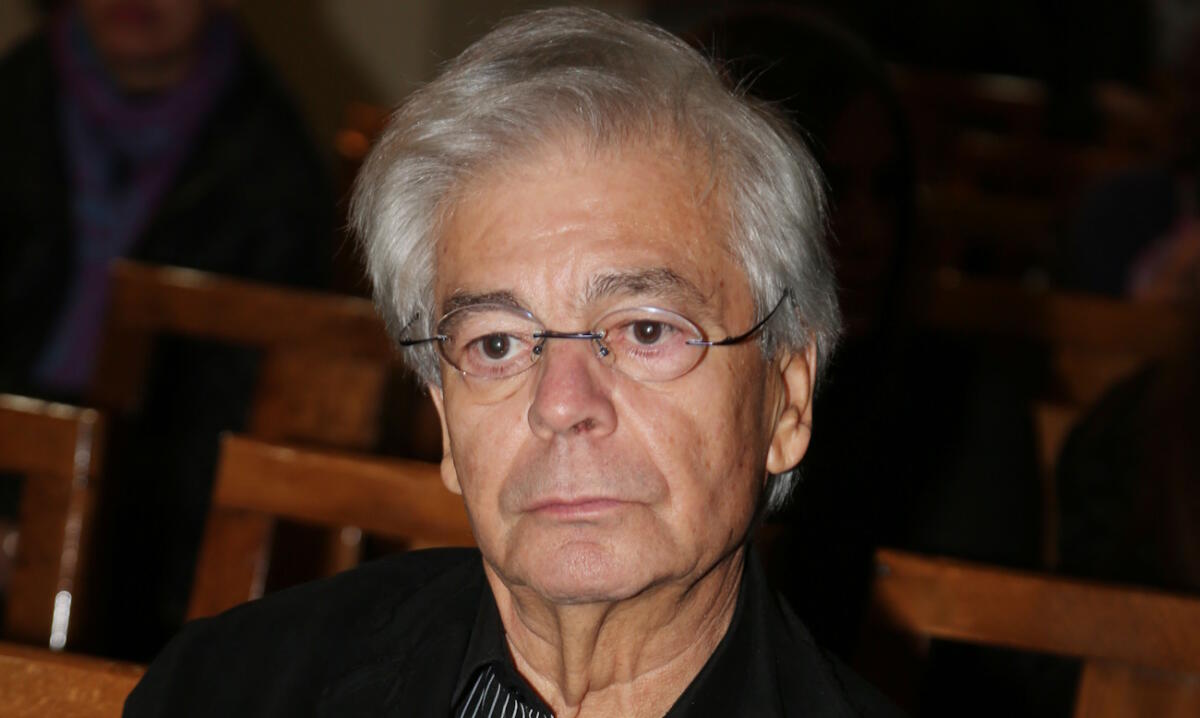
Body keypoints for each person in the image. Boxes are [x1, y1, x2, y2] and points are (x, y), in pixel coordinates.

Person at [124, 8, 902, 716]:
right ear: (443, 412)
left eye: (645, 331)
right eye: (496, 344)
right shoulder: (224, 692)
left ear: (787, 399)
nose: (559, 403)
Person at [0, 0, 333, 658]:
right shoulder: (16, 96)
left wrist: (67, 544)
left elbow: (236, 446)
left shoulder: (278, 165)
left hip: (147, 540)